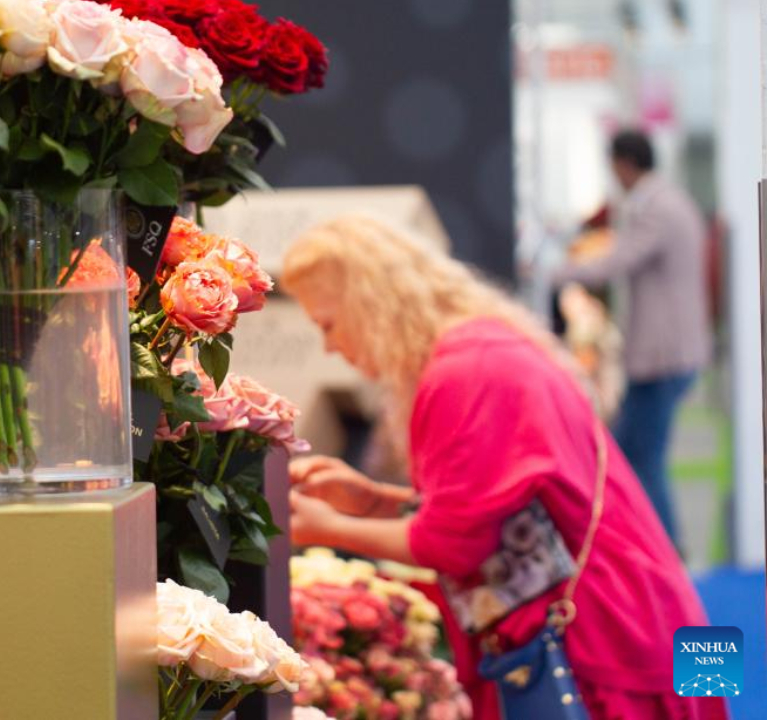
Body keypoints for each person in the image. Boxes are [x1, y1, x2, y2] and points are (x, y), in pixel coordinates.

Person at [282, 214, 724, 720]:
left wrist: (330, 528)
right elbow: (501, 504)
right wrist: (379, 503)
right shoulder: (480, 349)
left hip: (607, 638)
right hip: (648, 612)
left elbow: (454, 542)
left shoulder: (462, 371)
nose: (330, 347)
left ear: (369, 303)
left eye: (328, 325)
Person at [554, 129, 712, 544]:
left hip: (663, 356)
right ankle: (650, 551)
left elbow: (617, 262)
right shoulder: (669, 200)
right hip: (668, 354)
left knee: (641, 460)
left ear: (624, 164)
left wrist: (553, 273)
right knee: (624, 456)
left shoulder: (655, 208)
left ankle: (666, 554)